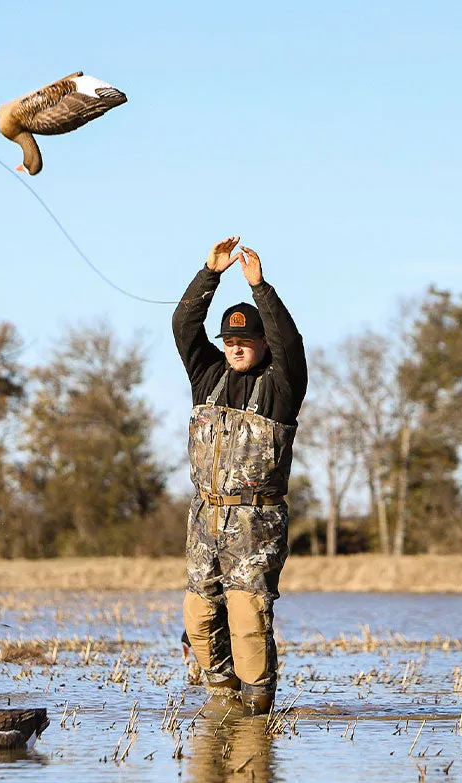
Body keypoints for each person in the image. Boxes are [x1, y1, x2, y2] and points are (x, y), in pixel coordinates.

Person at [172, 236, 308, 716]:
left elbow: (290, 343)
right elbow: (184, 326)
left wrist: (259, 288)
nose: (235, 348)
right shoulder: (207, 376)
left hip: (256, 522)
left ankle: (257, 711)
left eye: (244, 342)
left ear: (261, 343)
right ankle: (222, 699)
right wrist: (209, 274)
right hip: (204, 517)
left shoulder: (281, 387)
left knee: (248, 616)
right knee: (198, 614)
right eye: (229, 342)